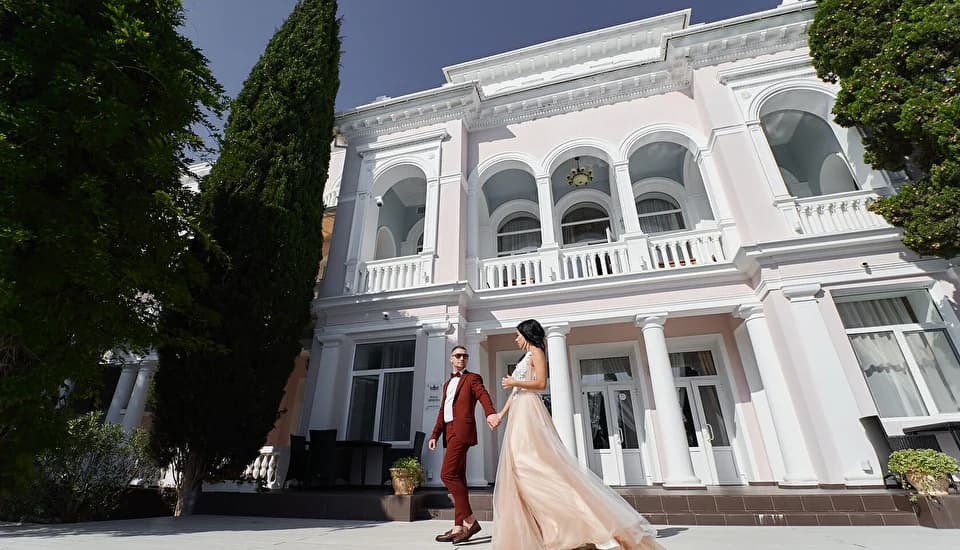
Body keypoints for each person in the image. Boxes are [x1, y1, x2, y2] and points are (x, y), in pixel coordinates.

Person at [491, 319, 664, 550]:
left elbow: (541, 384)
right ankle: (547, 527)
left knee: (530, 465)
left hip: (529, 411)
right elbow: (515, 392)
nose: (516, 339)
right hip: (518, 411)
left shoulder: (537, 353)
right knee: (517, 466)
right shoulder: (525, 357)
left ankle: (580, 523)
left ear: (527, 334)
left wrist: (516, 380)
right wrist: (500, 414)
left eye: (518, 334)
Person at [429, 344, 499, 544]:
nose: (461, 359)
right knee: (458, 477)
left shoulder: (472, 378)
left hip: (462, 430)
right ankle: (458, 527)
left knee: (447, 474)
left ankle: (470, 521)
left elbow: (483, 395)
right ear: (451, 359)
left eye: (465, 356)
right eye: (458, 356)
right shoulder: (446, 384)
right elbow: (443, 410)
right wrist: (435, 434)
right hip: (449, 431)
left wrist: (490, 413)